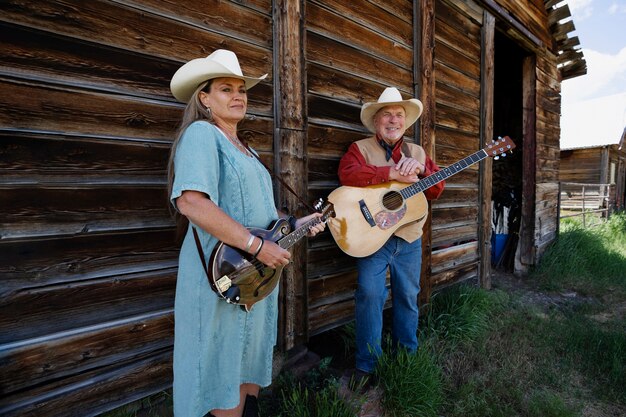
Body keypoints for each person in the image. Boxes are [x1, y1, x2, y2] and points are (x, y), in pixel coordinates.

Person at [167, 49, 325, 417]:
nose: (238, 96)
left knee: (245, 366)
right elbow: (191, 203)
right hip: (220, 274)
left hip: (252, 277)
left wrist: (298, 226)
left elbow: (265, 218)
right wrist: (257, 246)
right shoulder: (201, 134)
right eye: (226, 89)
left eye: (241, 89)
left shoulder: (248, 150)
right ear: (204, 98)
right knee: (221, 366)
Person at [337, 87, 445, 387]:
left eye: (399, 115)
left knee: (407, 297)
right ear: (376, 121)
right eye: (388, 115)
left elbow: (436, 190)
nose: (394, 120)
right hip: (373, 239)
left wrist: (423, 171)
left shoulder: (418, 153)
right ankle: (366, 365)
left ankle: (406, 358)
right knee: (370, 296)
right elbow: (347, 175)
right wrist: (391, 175)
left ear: (406, 123)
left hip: (408, 238)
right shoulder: (359, 149)